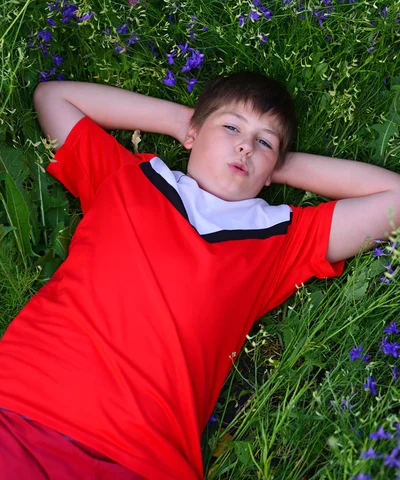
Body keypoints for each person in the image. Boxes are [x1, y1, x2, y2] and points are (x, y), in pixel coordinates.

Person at [0, 71, 399, 480]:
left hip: (142, 458)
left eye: (264, 141)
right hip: (22, 405)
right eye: (230, 127)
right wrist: (182, 123)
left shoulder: (282, 237)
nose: (245, 144)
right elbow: (53, 97)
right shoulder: (125, 177)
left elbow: (395, 199)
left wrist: (275, 166)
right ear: (193, 133)